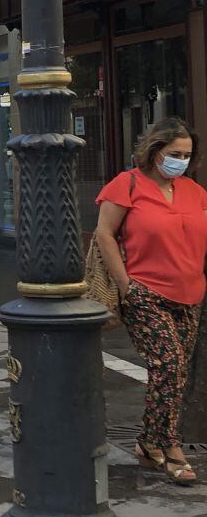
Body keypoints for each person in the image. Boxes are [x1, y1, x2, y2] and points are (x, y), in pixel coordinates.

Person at [95, 117, 207, 485]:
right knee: (169, 366)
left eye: (187, 155)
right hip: (146, 293)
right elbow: (105, 234)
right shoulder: (127, 185)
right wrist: (127, 286)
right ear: (155, 150)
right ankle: (170, 447)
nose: (182, 161)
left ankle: (147, 440)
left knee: (174, 375)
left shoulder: (195, 191)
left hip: (190, 294)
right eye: (175, 153)